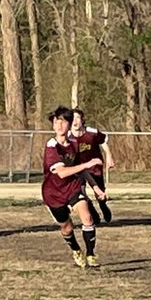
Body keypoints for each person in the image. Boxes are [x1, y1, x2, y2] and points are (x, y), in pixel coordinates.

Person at [42, 106, 104, 267]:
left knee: (87, 217)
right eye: (57, 122)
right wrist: (88, 164)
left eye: (63, 122)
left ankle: (91, 255)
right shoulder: (52, 147)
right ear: (53, 125)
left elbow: (80, 169)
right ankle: (76, 249)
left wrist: (95, 188)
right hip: (53, 193)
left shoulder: (74, 143)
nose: (59, 125)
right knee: (67, 227)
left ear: (69, 125)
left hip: (72, 187)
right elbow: (61, 172)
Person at [71, 108, 114, 224]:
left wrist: (109, 156)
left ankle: (103, 206)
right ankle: (93, 213)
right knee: (81, 192)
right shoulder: (68, 137)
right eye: (72, 118)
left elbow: (103, 141)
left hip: (94, 167)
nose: (75, 121)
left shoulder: (92, 133)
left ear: (82, 120)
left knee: (100, 193)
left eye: (77, 118)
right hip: (79, 168)